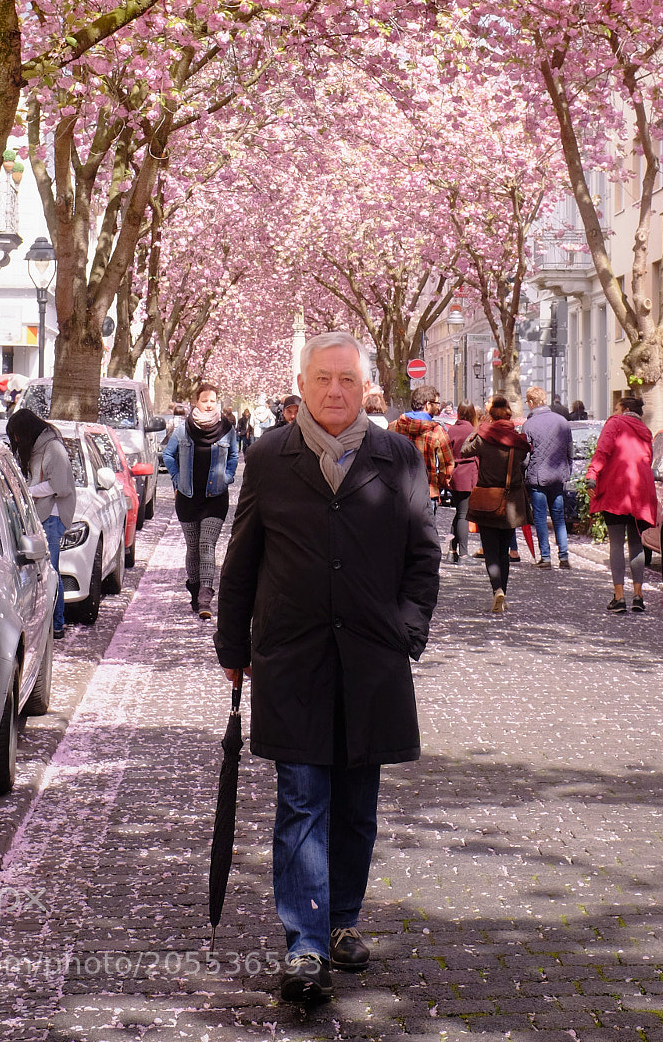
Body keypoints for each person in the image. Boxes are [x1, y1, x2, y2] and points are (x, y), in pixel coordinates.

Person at [215, 331, 440, 1005]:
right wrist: (234, 648)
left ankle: (341, 920)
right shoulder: (269, 456)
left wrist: (407, 629)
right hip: (293, 657)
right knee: (303, 797)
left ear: (365, 387)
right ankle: (305, 943)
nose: (335, 391)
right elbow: (243, 560)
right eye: (323, 379)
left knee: (356, 804)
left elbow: (423, 557)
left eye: (347, 380)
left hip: (372, 659)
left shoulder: (397, 456)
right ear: (304, 385)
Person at [162, 381, 239, 620]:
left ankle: (205, 598)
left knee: (207, 545)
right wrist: (176, 479)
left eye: (212, 401)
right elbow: (168, 454)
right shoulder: (183, 429)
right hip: (187, 498)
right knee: (193, 547)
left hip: (215, 498)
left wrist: (227, 477)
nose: (208, 405)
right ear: (196, 401)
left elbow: (234, 455)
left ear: (218, 402)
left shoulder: (227, 429)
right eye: (204, 400)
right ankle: (194, 590)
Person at [585, 392, 659, 615]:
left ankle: (619, 597)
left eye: (616, 408)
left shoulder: (615, 423)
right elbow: (647, 459)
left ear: (624, 409)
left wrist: (592, 475)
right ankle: (638, 595)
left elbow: (603, 450)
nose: (613, 413)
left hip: (617, 489)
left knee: (616, 544)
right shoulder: (645, 432)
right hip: (641, 491)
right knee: (636, 544)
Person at [6, 409, 76, 639]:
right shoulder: (37, 448)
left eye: (16, 435)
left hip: (53, 516)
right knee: (45, 572)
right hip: (41, 515)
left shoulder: (52, 448)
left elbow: (60, 486)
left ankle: (57, 623)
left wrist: (27, 492)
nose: (16, 441)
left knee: (50, 572)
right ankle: (52, 622)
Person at [460, 395, 531, 612]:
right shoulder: (518, 441)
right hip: (511, 503)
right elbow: (525, 462)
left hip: (487, 500)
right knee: (503, 551)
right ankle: (504, 594)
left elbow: (464, 451)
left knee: (490, 550)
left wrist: (477, 430)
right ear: (509, 414)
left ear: (491, 415)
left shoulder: (483, 437)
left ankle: (496, 590)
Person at [523, 385, 574, 570]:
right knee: (559, 517)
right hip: (558, 476)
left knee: (540, 517)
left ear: (531, 402)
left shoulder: (529, 425)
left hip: (537, 477)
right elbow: (570, 451)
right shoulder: (562, 421)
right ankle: (564, 556)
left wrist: (523, 472)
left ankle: (545, 557)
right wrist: (567, 470)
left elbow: (525, 457)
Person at [389, 385, 454, 520]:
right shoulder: (437, 431)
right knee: (424, 537)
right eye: (436, 403)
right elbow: (448, 465)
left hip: (398, 491)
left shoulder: (394, 426)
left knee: (399, 537)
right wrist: (437, 483)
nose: (439, 407)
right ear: (427, 405)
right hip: (426, 492)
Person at [444, 402, 478, 562]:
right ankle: (463, 554)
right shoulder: (472, 431)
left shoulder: (451, 429)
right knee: (464, 514)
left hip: (454, 474)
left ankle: (451, 551)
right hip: (467, 474)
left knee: (458, 513)